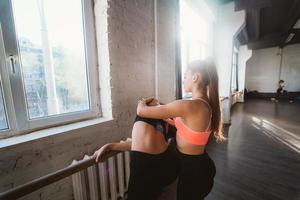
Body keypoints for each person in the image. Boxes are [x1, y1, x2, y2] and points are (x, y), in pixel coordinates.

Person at [137, 58, 226, 200]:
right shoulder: (202, 104)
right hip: (199, 165)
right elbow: (185, 128)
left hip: (194, 172)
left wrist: (142, 102)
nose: (183, 80)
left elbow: (141, 111)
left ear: (195, 77)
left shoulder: (190, 106)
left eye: (185, 76)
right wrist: (161, 108)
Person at [93, 98, 179, 200]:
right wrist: (109, 146)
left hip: (150, 166)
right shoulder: (160, 126)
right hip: (168, 164)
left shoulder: (144, 116)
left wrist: (142, 101)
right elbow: (138, 144)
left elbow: (142, 108)